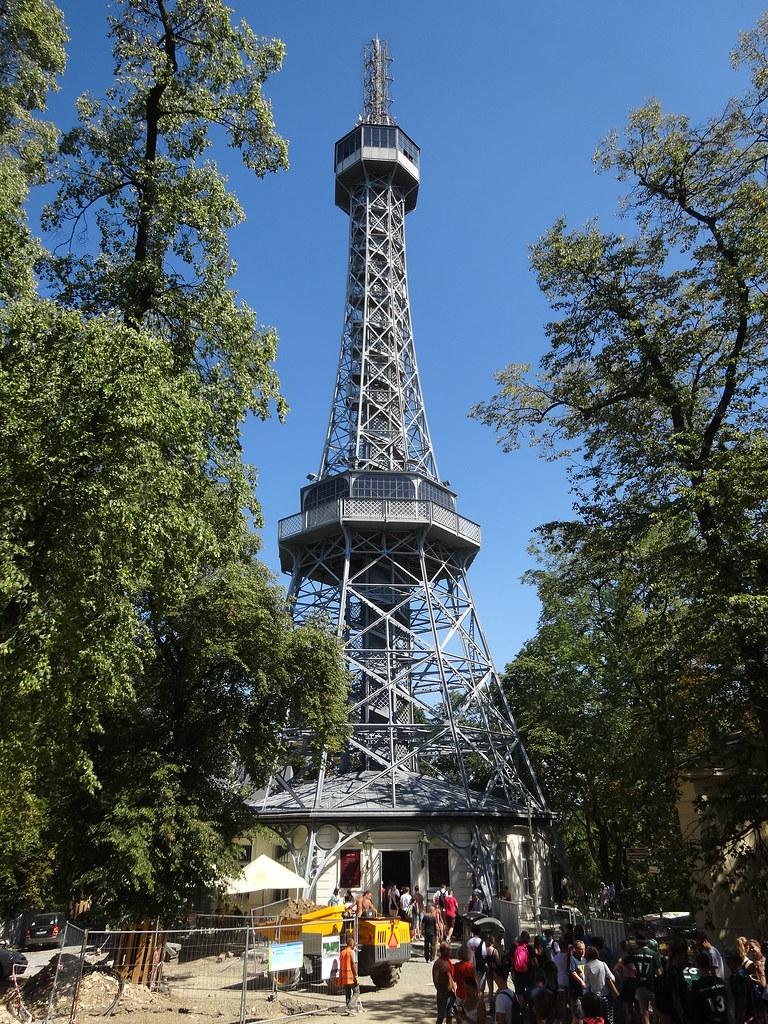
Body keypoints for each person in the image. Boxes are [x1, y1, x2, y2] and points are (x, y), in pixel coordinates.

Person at [618, 933, 661, 1024]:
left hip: (639, 985)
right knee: (655, 1012)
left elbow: (620, 961)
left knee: (644, 1012)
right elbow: (659, 972)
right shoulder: (653, 954)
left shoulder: (634, 953)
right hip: (652, 986)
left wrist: (631, 970)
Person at [690, 951, 728, 1024]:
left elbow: (696, 1009)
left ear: (697, 965)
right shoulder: (719, 981)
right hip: (723, 1018)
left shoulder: (697, 985)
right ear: (709, 964)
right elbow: (727, 1000)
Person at [583, 944, 617, 1024]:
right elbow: (612, 978)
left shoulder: (587, 966)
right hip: (606, 996)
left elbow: (587, 984)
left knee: (597, 1019)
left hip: (595, 998)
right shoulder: (603, 964)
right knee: (609, 1019)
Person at [434, 940, 457, 1024]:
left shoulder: (448, 962)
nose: (450, 951)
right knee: (441, 1017)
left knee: (450, 1015)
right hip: (442, 993)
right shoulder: (438, 963)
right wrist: (440, 993)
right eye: (449, 949)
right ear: (443, 951)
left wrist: (455, 990)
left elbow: (452, 978)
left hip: (450, 993)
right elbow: (435, 980)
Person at [338, 934, 360, 1016]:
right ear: (351, 944)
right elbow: (354, 965)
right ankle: (350, 1007)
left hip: (343, 977)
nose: (354, 945)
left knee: (347, 993)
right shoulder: (351, 952)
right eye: (353, 943)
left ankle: (348, 1008)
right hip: (350, 976)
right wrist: (356, 976)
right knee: (356, 991)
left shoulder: (342, 952)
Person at [568, 939, 588, 1024]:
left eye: (584, 949)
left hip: (584, 991)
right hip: (576, 992)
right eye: (581, 949)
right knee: (579, 1015)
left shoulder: (584, 960)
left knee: (578, 1015)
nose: (583, 951)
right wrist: (581, 981)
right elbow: (572, 972)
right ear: (575, 950)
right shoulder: (572, 959)